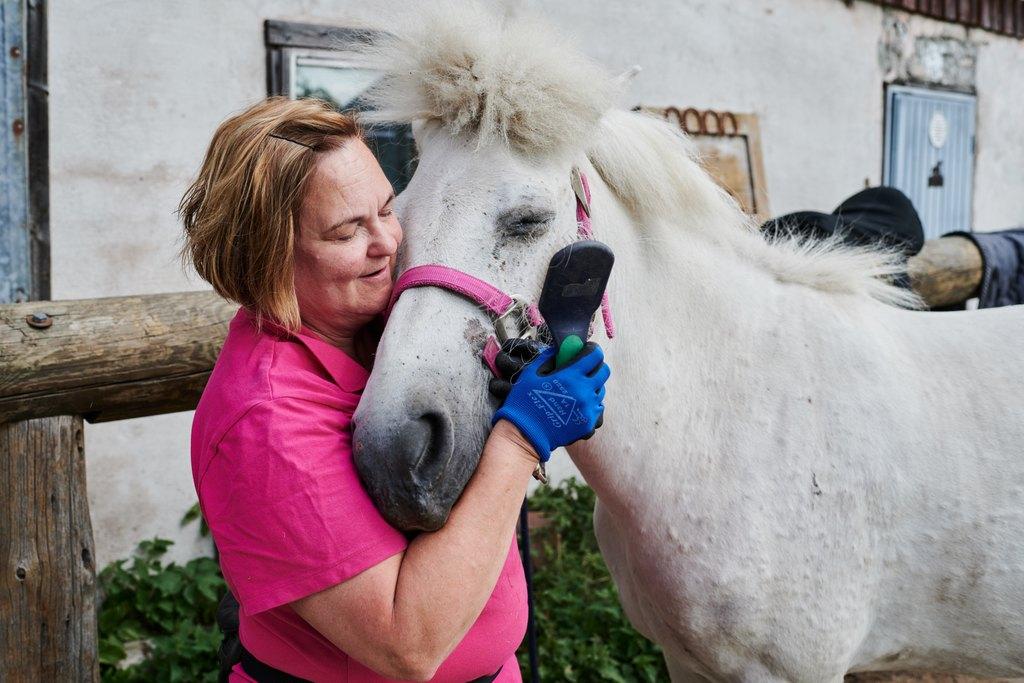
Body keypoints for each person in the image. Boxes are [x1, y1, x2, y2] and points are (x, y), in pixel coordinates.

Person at [179, 96, 610, 682]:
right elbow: (406, 646)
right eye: (347, 231)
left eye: (388, 208)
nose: (388, 241)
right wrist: (522, 439)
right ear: (269, 259)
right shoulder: (263, 419)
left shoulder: (382, 324)